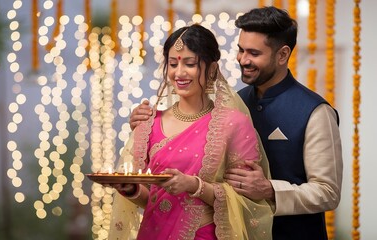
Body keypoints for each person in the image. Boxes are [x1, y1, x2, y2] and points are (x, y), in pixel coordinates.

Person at [129, 6, 343, 240]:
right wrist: (143, 126)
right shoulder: (236, 103)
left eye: (254, 53)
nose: (243, 59)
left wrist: (270, 190)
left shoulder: (314, 111)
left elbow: (328, 192)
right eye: (241, 50)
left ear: (282, 55)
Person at [109, 24, 273, 240]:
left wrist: (194, 185)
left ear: (212, 69)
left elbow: (245, 200)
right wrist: (131, 190)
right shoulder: (149, 122)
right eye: (173, 64)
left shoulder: (232, 124)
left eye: (190, 64)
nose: (179, 73)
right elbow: (156, 200)